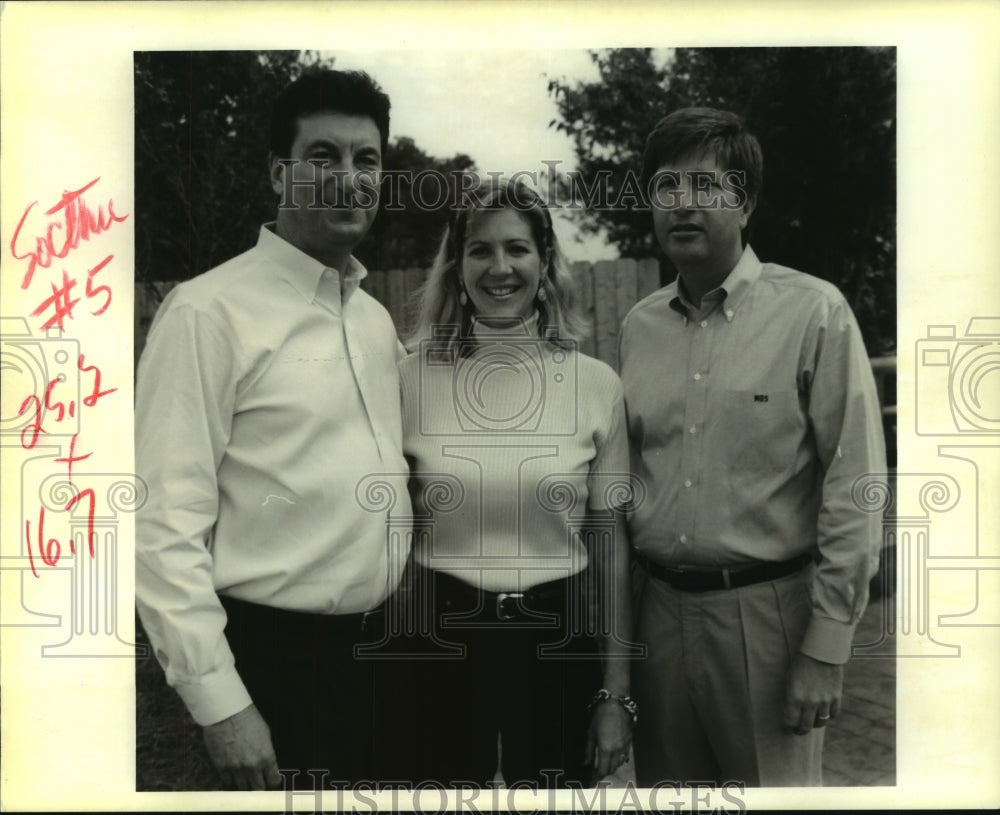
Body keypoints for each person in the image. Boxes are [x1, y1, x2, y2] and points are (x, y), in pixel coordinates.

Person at [134, 69, 411, 790]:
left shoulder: (375, 320)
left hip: (384, 655)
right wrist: (222, 705)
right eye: (323, 156)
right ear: (277, 172)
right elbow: (161, 523)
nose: (349, 179)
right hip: (278, 664)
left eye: (367, 159)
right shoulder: (208, 313)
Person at [619, 108, 886, 787]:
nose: (683, 203)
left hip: (769, 619)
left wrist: (826, 648)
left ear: (747, 202)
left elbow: (856, 484)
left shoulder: (814, 314)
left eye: (707, 186)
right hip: (660, 619)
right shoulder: (637, 328)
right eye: (667, 185)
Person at [390, 177, 637, 788]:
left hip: (560, 633)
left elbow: (611, 550)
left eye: (517, 249)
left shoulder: (595, 384)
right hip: (438, 632)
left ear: (545, 261)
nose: (499, 267)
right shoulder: (407, 378)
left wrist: (616, 694)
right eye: (480, 250)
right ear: (457, 267)